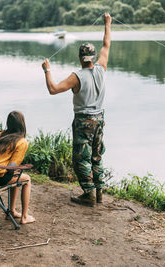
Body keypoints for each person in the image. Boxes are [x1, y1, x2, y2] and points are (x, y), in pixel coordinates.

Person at [41, 13, 112, 207]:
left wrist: (47, 70)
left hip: (83, 122)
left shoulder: (76, 76)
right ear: (94, 57)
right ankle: (99, 192)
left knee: (81, 158)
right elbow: (106, 44)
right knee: (97, 155)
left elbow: (53, 89)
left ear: (80, 58)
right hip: (99, 120)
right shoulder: (101, 68)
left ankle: (88, 194)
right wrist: (108, 24)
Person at [0, 111, 35, 224]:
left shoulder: (0, 134)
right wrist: (18, 168)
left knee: (17, 176)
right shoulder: (21, 142)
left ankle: (11, 211)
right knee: (26, 179)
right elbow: (11, 168)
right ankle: (24, 217)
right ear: (22, 124)